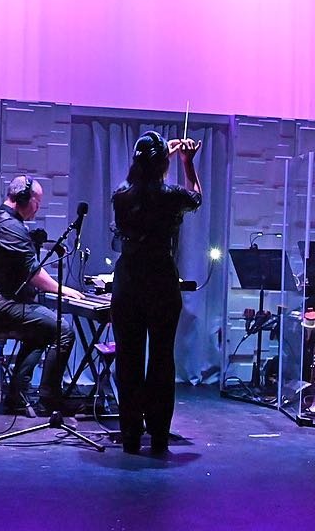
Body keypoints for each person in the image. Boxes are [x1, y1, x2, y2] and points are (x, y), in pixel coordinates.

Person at [110, 132, 202, 454]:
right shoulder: (171, 195)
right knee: (162, 358)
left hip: (128, 283)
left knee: (128, 360)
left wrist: (160, 157)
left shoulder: (120, 196)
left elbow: (138, 184)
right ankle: (159, 438)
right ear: (164, 162)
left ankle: (131, 437)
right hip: (161, 281)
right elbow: (196, 197)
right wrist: (187, 163)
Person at [0, 175, 84, 415]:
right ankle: (50, 400)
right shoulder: (9, 226)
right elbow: (34, 274)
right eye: (37, 201)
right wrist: (66, 291)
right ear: (23, 198)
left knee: (41, 331)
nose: (38, 208)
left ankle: (16, 396)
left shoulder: (4, 221)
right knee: (63, 330)